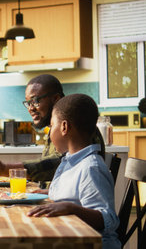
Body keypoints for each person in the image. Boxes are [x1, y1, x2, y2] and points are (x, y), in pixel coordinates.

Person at [26, 94, 120, 249]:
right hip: (70, 235)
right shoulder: (70, 161)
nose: (49, 133)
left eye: (51, 126)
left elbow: (108, 219)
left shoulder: (91, 167)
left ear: (64, 127)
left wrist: (71, 208)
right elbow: (72, 195)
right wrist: (47, 193)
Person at [0, 74, 105, 182]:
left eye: (35, 101)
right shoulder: (54, 129)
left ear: (56, 99)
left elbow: (62, 162)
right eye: (28, 103)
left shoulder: (77, 126)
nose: (30, 108)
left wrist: (4, 169)